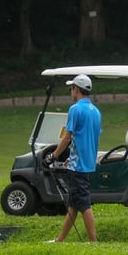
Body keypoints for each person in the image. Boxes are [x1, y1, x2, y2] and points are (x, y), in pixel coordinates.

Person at [48, 74, 102, 242]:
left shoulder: (75, 109)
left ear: (76, 89)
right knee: (73, 205)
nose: (70, 92)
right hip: (85, 163)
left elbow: (67, 137)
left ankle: (94, 243)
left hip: (78, 166)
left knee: (84, 204)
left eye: (71, 88)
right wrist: (71, 158)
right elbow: (87, 137)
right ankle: (59, 240)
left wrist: (53, 156)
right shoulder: (96, 111)